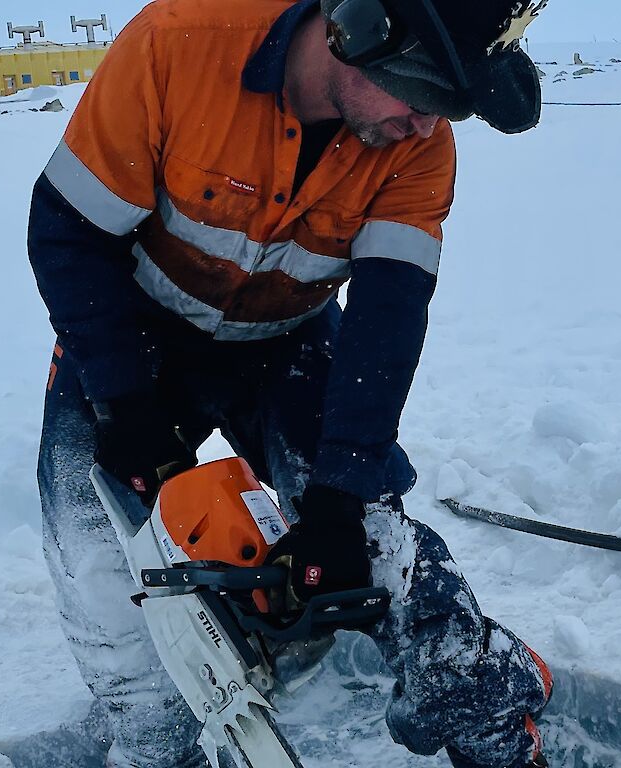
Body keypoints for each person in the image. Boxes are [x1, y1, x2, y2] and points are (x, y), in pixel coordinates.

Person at [27, 0, 554, 765]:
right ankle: (152, 742)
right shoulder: (178, 46)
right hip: (131, 331)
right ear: (355, 33)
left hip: (286, 336)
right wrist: (123, 402)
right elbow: (67, 231)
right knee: (96, 554)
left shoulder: (420, 144)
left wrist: (341, 490)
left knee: (374, 536)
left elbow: (388, 317)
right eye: (421, 102)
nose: (425, 129)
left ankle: (486, 711)